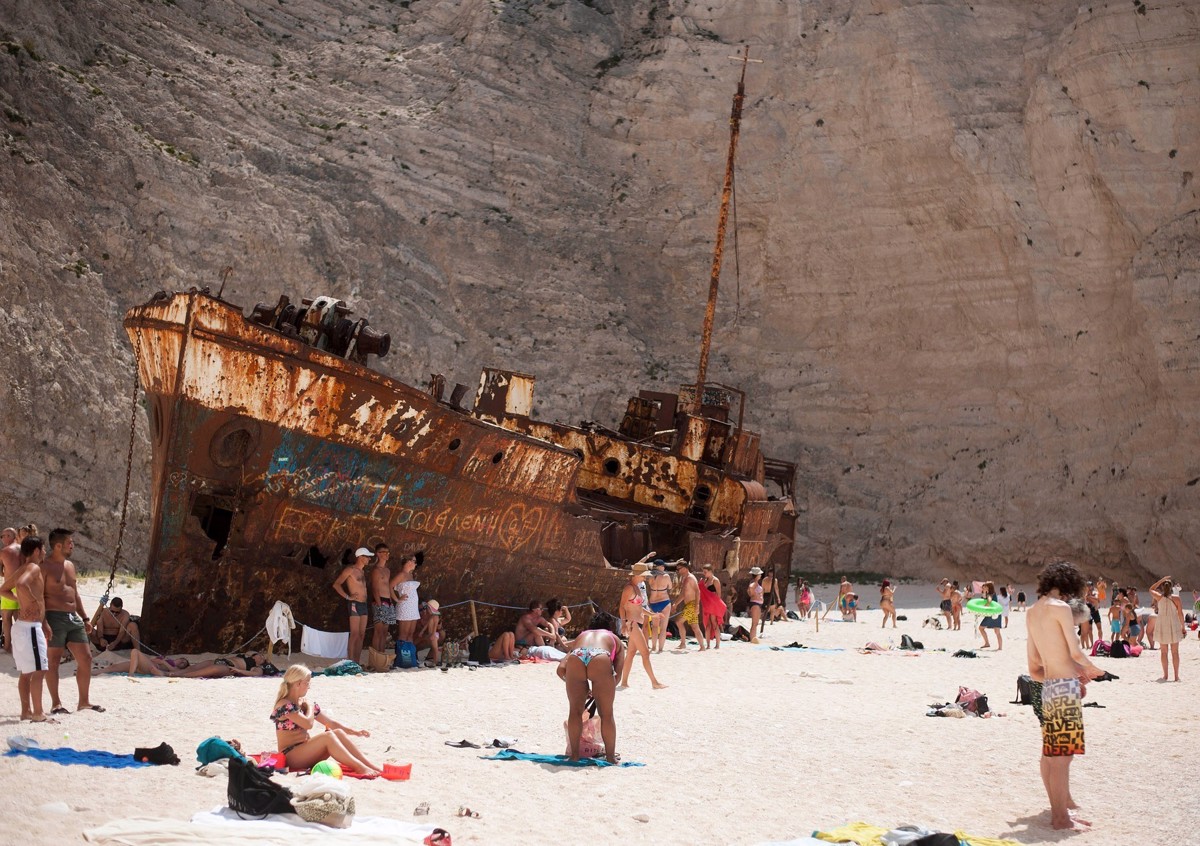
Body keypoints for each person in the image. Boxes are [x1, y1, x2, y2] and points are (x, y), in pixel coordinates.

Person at [1026, 560, 1105, 830]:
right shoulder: (1060, 609)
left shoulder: (1032, 612)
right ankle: (1060, 817)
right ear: (1068, 586)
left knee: (1052, 755)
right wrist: (1093, 670)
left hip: (1048, 687)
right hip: (1064, 689)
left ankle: (1059, 810)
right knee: (1062, 757)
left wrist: (1066, 674)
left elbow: (1033, 667)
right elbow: (1074, 651)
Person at [271, 664, 381, 775]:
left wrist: (355, 732)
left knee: (337, 733)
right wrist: (309, 707)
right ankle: (360, 768)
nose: (309, 686)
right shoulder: (284, 705)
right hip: (291, 757)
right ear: (298, 683)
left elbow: (331, 723)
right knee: (327, 737)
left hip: (306, 752)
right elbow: (308, 724)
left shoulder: (302, 703)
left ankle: (370, 766)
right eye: (307, 683)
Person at [41, 528, 103, 715]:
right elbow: (39, 596)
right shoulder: (44, 567)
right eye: (70, 542)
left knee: (86, 658)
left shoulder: (70, 565)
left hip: (72, 617)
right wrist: (43, 621)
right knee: (53, 661)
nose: (72, 545)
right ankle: (56, 703)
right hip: (53, 616)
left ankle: (83, 702)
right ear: (58, 545)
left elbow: (74, 593)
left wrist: (84, 617)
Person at [557, 610, 624, 763]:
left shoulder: (581, 637)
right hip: (600, 656)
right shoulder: (614, 639)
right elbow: (617, 676)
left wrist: (581, 687)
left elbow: (560, 669)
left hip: (577, 656)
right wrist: (600, 691)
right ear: (610, 628)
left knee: (574, 711)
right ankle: (610, 757)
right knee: (606, 714)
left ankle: (574, 756)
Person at [0, 535, 53, 722]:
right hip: (30, 628)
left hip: (24, 627)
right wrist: (29, 601)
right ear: (37, 551)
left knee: (27, 672)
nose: (46, 552)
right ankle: (38, 713)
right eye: (44, 549)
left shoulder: (22, 568)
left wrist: (22, 602)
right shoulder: (34, 567)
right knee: (39, 670)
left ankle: (26, 712)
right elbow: (22, 585)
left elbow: (3, 589)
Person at [618, 563, 666, 689]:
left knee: (631, 653)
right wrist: (623, 623)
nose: (645, 578)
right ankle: (654, 682)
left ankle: (624, 682)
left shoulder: (637, 588)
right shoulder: (629, 588)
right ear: (638, 575)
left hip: (635, 623)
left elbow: (639, 608)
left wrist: (653, 615)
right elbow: (622, 606)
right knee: (645, 653)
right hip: (632, 623)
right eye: (644, 576)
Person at [332, 546, 372, 662]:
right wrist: (348, 597)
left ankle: (357, 661)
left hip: (363, 604)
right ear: (360, 557)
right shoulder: (350, 570)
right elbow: (337, 584)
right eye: (367, 557)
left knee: (361, 634)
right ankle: (350, 660)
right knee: (354, 634)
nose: (369, 559)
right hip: (354, 603)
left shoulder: (362, 571)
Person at [1149, 577, 1183, 681]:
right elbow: (1180, 613)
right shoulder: (1176, 598)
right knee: (1175, 652)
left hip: (1162, 624)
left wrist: (1161, 580)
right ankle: (1176, 676)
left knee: (1164, 652)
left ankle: (1166, 675)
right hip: (1174, 624)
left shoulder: (1159, 597)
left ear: (1163, 587)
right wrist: (1183, 627)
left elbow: (1151, 589)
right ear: (1172, 587)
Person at [672, 562, 706, 652]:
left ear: (685, 568)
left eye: (679, 568)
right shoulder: (685, 578)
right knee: (695, 627)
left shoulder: (690, 578)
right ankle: (702, 646)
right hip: (689, 604)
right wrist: (676, 603)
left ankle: (683, 643)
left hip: (692, 604)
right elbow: (683, 594)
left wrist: (697, 606)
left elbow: (698, 591)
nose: (678, 571)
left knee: (679, 622)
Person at [369, 543, 396, 652]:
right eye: (384, 552)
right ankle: (376, 656)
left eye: (388, 552)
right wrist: (379, 604)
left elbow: (388, 586)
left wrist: (391, 602)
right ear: (378, 554)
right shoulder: (376, 570)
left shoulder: (387, 570)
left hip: (388, 602)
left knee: (385, 632)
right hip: (379, 601)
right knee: (378, 631)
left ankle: (382, 653)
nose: (387, 554)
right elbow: (375, 588)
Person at [390, 554, 420, 642]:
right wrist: (397, 599)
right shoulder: (401, 575)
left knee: (411, 634)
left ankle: (408, 654)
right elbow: (390, 586)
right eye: (414, 562)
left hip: (413, 608)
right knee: (404, 634)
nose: (415, 564)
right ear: (408, 562)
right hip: (405, 606)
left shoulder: (410, 575)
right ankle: (401, 654)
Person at [1, 526, 21, 654]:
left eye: (2, 536)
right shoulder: (24, 549)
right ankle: (20, 646)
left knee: (6, 618)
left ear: (9, 536)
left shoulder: (4, 551)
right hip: (23, 586)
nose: (2, 538)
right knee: (20, 618)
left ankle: (8, 646)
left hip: (8, 587)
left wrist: (6, 574)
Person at [645, 560, 673, 653]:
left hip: (653, 602)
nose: (664, 568)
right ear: (660, 566)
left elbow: (650, 586)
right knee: (663, 628)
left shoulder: (650, 576)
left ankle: (653, 647)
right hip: (664, 601)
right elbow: (670, 587)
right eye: (663, 566)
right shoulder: (666, 576)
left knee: (655, 627)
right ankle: (660, 649)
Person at [698, 564, 727, 649]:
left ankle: (717, 645)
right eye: (703, 571)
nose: (704, 573)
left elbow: (718, 595)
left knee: (714, 623)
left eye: (705, 572)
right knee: (707, 624)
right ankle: (708, 645)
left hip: (713, 605)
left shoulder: (715, 580)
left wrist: (716, 606)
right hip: (706, 605)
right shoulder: (705, 581)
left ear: (710, 571)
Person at [415, 600, 441, 665]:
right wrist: (422, 631)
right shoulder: (431, 616)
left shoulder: (436, 617)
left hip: (433, 634)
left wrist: (433, 634)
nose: (426, 610)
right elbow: (427, 625)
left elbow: (435, 626)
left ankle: (435, 661)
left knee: (435, 648)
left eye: (428, 608)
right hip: (430, 634)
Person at [978, 581, 1003, 650]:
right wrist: (984, 593)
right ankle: (1000, 647)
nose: (984, 587)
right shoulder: (991, 593)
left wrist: (983, 608)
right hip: (996, 613)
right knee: (997, 631)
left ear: (988, 587)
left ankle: (987, 643)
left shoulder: (990, 594)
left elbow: (989, 601)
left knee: (981, 628)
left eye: (985, 586)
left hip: (991, 614)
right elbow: (984, 599)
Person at [746, 567, 765, 643]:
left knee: (756, 623)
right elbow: (750, 589)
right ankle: (752, 638)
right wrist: (755, 594)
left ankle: (753, 637)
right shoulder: (753, 584)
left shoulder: (756, 583)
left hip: (758, 603)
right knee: (754, 623)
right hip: (755, 603)